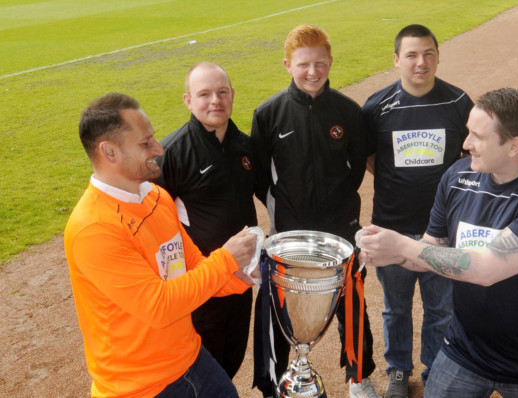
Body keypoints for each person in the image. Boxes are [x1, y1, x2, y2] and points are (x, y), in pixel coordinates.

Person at [358, 88, 518, 398]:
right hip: (464, 353)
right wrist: (385, 252)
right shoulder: (457, 177)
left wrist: (403, 247)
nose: (466, 144)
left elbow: (485, 269)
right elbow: (431, 251)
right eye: (467, 132)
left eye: (477, 136)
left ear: (514, 145)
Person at [64, 92, 258, 398]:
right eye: (145, 144)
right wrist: (226, 261)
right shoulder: (94, 228)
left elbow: (192, 266)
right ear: (109, 152)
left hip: (191, 358)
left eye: (153, 137)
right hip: (140, 388)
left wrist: (242, 276)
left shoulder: (156, 196)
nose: (158, 148)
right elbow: (159, 307)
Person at [251, 24, 379, 398]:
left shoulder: (348, 111)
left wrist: (338, 204)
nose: (312, 72)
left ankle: (359, 376)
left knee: (351, 303)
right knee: (279, 309)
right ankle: (273, 382)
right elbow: (261, 177)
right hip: (289, 231)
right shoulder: (268, 114)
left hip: (340, 228)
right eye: (304, 64)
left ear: (330, 62)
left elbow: (356, 168)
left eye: (320, 63)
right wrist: (286, 209)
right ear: (288, 64)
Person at [361, 24, 474, 397]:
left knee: (441, 308)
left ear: (438, 56)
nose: (420, 62)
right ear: (396, 61)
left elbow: (470, 157)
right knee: (395, 309)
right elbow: (370, 158)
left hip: (441, 229)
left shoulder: (458, 103)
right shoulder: (377, 106)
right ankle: (398, 370)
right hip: (391, 227)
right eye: (411, 55)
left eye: (428, 53)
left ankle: (434, 369)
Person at [153, 62, 260, 379]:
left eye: (222, 92)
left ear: (232, 95)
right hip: (201, 283)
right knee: (203, 366)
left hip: (241, 277)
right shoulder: (171, 153)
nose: (215, 100)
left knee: (232, 357)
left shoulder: (245, 145)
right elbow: (155, 223)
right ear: (188, 100)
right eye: (204, 94)